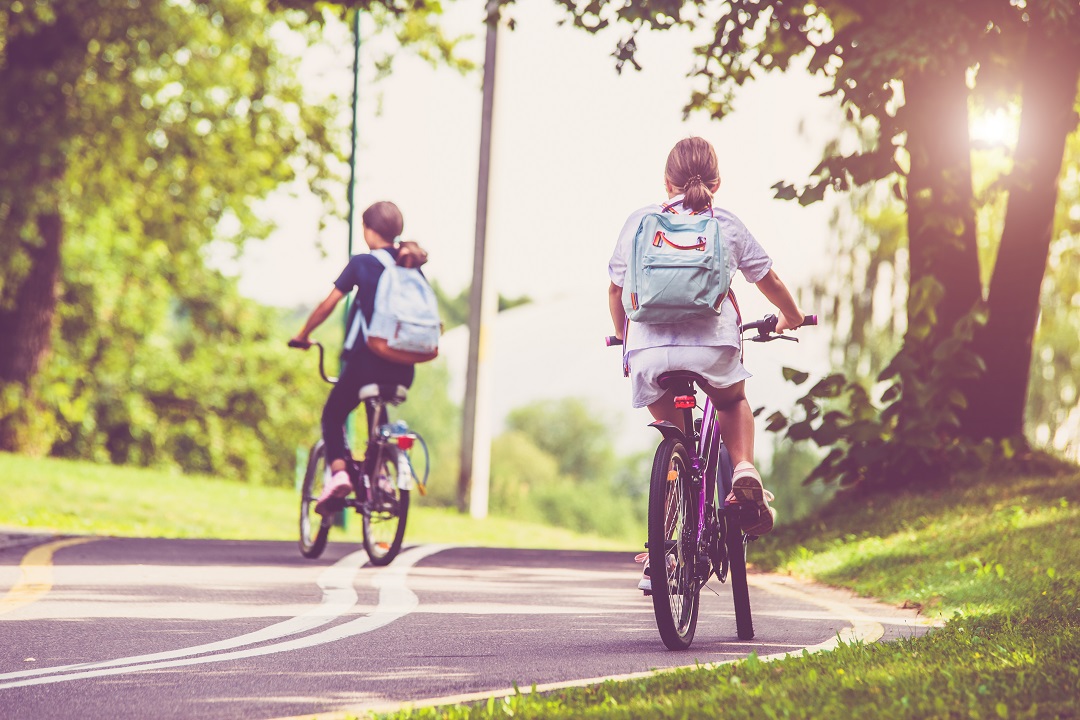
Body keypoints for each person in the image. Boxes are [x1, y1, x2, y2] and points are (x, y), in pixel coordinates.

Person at [607, 137, 805, 590]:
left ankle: (662, 557)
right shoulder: (724, 224)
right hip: (712, 347)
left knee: (674, 441)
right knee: (732, 402)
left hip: (650, 352)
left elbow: (616, 291)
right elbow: (767, 278)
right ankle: (743, 472)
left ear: (666, 180)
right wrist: (790, 317)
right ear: (717, 182)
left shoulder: (640, 222)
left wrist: (623, 336)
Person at [291, 200, 429, 514]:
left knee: (333, 414)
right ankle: (381, 476)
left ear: (368, 230)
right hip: (405, 367)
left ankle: (339, 473)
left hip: (367, 363)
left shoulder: (362, 263)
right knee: (378, 421)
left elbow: (328, 305)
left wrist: (302, 335)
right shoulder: (410, 263)